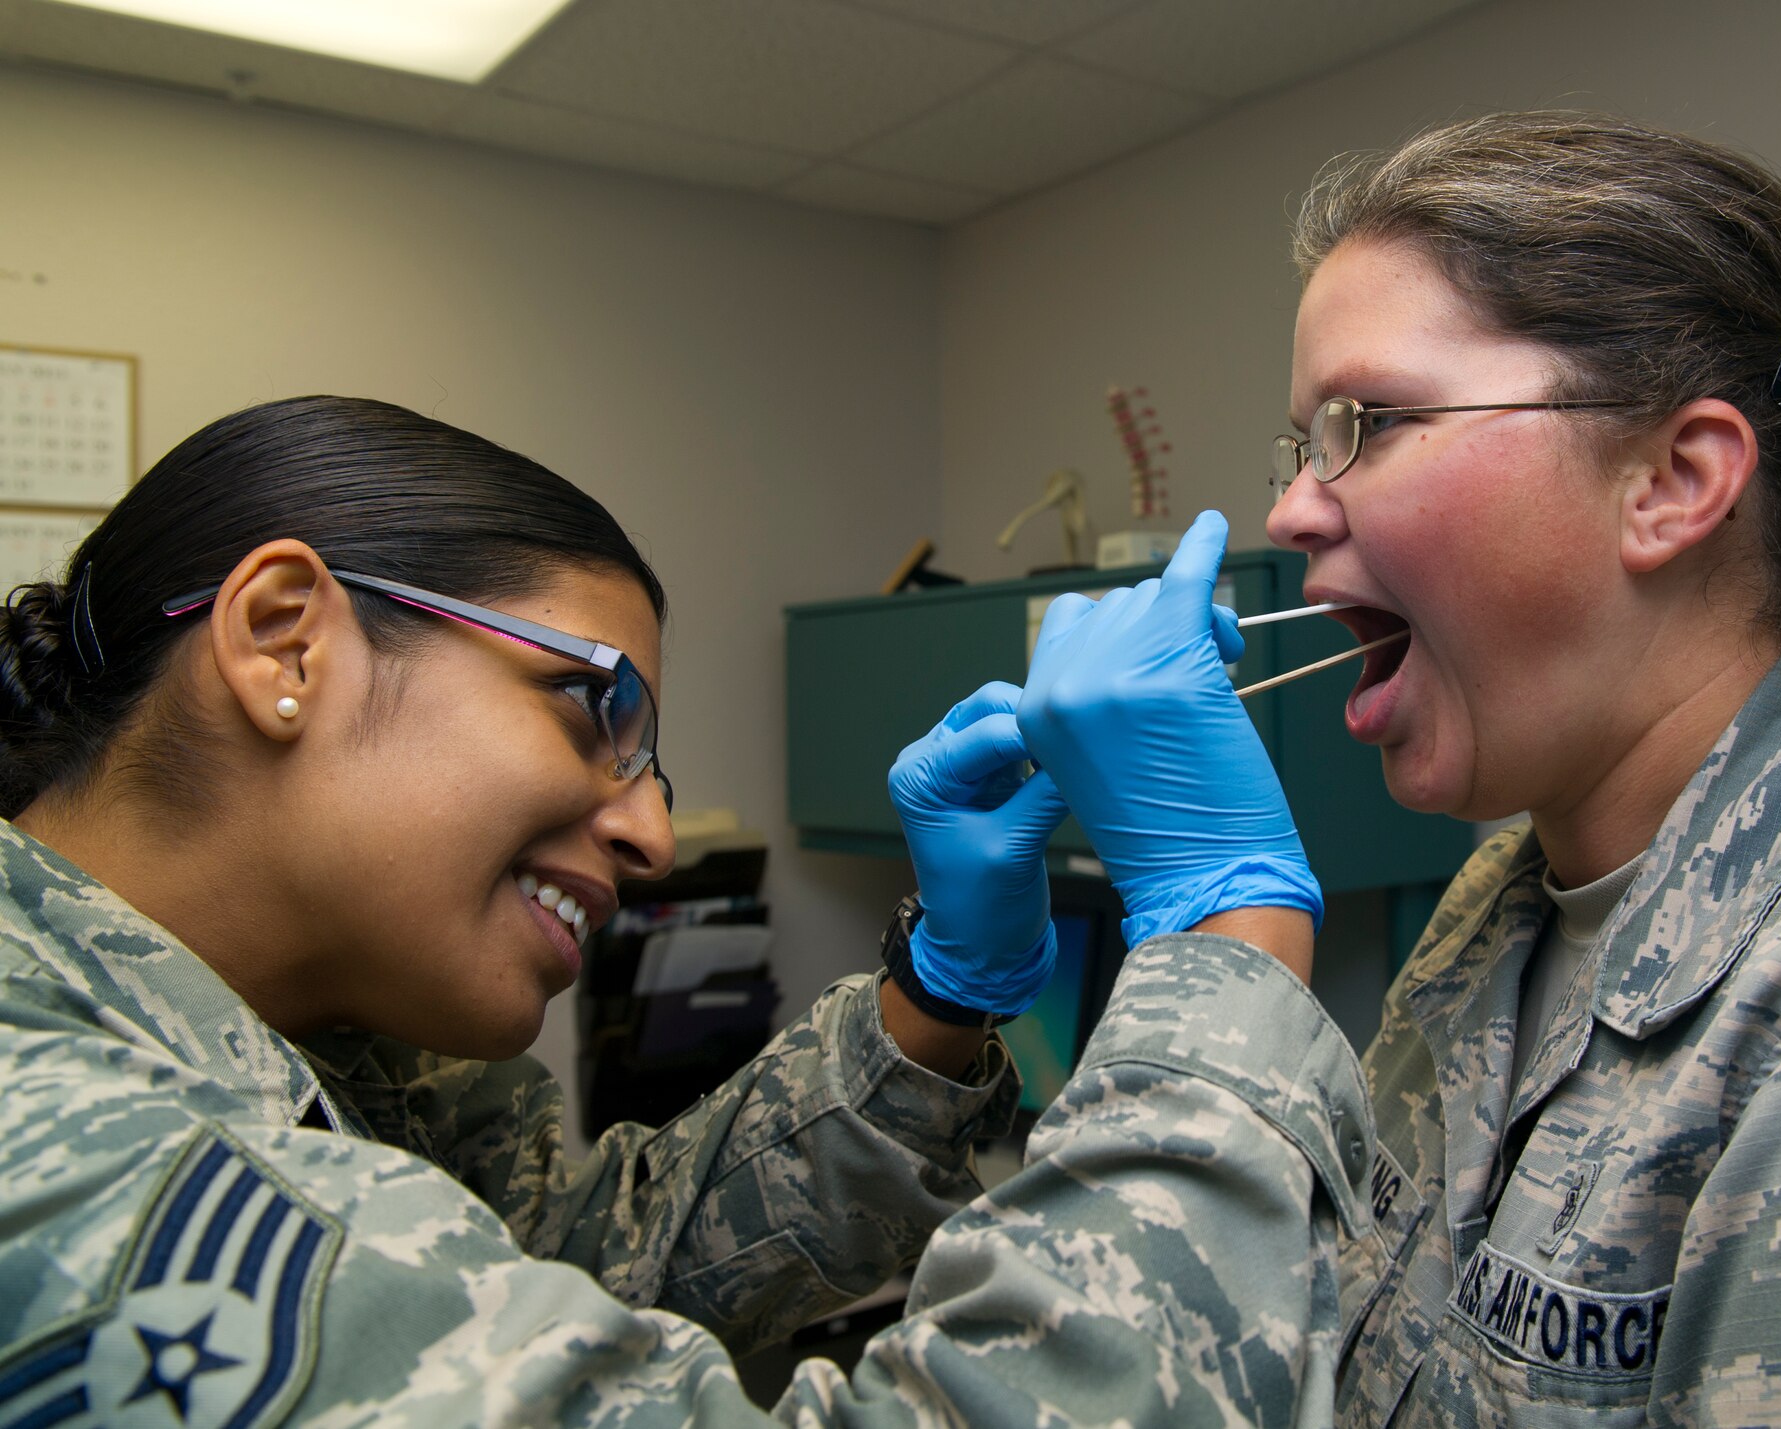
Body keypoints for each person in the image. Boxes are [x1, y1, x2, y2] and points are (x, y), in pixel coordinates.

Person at [0, 394, 1364, 1426]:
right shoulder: (46, 1122)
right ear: (286, 639)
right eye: (607, 709)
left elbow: (597, 1262)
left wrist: (939, 992)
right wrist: (1227, 953)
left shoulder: (340, 1046)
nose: (653, 834)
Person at [1239, 110, 1781, 1423]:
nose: (1292, 508)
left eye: (1367, 421)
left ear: (1672, 479)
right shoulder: (1499, 903)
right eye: (1304, 443)